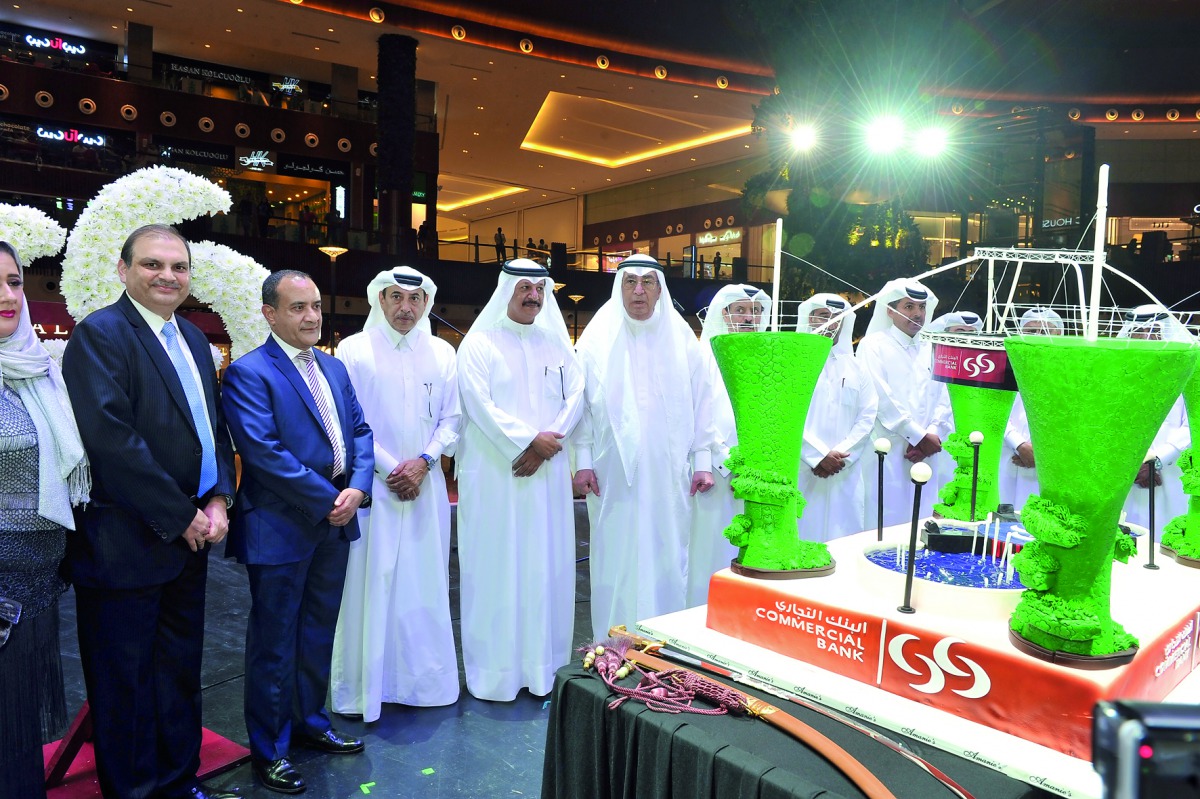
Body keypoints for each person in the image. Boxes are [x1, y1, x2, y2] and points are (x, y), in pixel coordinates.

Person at [61, 225, 240, 799]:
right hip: (127, 542)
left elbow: (211, 428)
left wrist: (218, 496)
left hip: (190, 537)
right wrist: (179, 514)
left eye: (179, 267)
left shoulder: (191, 337)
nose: (167, 276)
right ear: (123, 269)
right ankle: (134, 790)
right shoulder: (100, 334)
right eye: (152, 265)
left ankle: (178, 779)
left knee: (179, 672)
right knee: (126, 684)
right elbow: (112, 440)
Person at [222, 270, 374, 794]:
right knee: (274, 643)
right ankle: (271, 749)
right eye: (297, 308)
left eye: (315, 307)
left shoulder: (333, 368)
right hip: (281, 527)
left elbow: (360, 431)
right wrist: (329, 498)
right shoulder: (249, 373)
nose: (311, 317)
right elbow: (263, 454)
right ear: (270, 313)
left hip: (335, 522)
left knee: (316, 634)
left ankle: (311, 724)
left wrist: (357, 488)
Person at [331, 268, 460, 720]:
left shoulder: (443, 353)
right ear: (379, 300)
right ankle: (364, 689)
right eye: (396, 297)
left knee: (424, 584)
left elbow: (452, 420)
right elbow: (349, 420)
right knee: (370, 582)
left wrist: (423, 463)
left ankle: (423, 684)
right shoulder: (354, 350)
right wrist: (392, 468)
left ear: (427, 304)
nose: (406, 307)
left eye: (415, 298)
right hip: (373, 487)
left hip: (425, 486)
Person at [456, 259, 583, 700]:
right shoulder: (479, 344)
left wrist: (548, 442)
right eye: (524, 287)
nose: (532, 295)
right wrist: (529, 441)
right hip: (496, 475)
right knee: (496, 569)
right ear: (506, 290)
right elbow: (477, 403)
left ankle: (543, 668)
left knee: (545, 567)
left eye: (539, 288)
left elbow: (576, 398)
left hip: (545, 478)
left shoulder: (558, 346)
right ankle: (495, 674)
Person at [573, 253, 715, 637]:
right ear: (619, 288)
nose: (639, 291)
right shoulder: (595, 340)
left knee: (668, 553)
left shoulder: (683, 339)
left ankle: (664, 645)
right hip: (611, 473)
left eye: (647, 282)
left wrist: (703, 460)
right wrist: (582, 460)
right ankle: (612, 643)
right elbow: (579, 407)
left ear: (659, 289)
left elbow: (704, 403)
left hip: (669, 474)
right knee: (614, 554)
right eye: (630, 282)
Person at [0, 241, 89, 799]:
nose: (6, 295)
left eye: (13, 281)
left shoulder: (37, 368)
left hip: (37, 586)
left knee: (17, 735)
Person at [687, 284, 769, 607]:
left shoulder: (765, 357)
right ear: (724, 314)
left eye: (755, 311)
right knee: (708, 549)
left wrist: (753, 466)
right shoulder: (704, 355)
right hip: (715, 476)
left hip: (754, 477)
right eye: (740, 311)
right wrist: (729, 463)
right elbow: (699, 415)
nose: (749, 318)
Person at [855, 277, 951, 524]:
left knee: (924, 519)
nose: (917, 314)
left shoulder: (933, 346)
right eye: (909, 307)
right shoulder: (872, 345)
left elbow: (945, 396)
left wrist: (931, 434)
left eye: (921, 307)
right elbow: (880, 397)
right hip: (889, 448)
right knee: (885, 517)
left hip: (929, 449)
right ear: (890, 310)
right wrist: (917, 436)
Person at [797, 293, 878, 542]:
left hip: (844, 470)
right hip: (800, 468)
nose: (831, 323)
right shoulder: (791, 362)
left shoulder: (856, 367)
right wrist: (816, 455)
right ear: (809, 319)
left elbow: (867, 416)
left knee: (843, 540)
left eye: (837, 318)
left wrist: (840, 454)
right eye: (823, 316)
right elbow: (783, 415)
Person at [1116, 305, 1192, 529]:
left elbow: (1192, 427)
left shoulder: (1188, 371)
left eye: (1152, 332)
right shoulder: (1120, 374)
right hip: (1123, 473)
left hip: (1169, 475)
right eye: (1136, 332)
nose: (1143, 338)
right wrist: (1129, 464)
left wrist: (1155, 460)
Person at [1001, 307, 1064, 509]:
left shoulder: (1069, 371)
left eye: (1045, 331)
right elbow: (993, 410)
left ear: (1059, 335)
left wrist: (1045, 453)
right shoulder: (1005, 364)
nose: (1037, 337)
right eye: (1031, 331)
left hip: (1052, 463)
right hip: (1007, 456)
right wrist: (1019, 444)